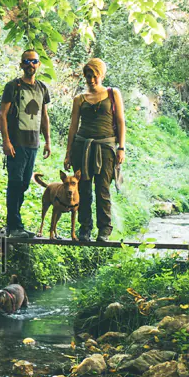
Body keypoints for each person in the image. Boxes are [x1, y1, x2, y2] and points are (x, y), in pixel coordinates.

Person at [64, 58, 126, 242]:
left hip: (106, 147)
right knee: (83, 188)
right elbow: (73, 127)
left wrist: (121, 147)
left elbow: (121, 121)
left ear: (102, 75)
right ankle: (85, 229)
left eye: (95, 76)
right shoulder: (79, 99)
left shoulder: (113, 93)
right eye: (88, 76)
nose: (91, 80)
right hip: (81, 147)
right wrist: (68, 153)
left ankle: (104, 230)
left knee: (103, 189)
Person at [0, 49, 52, 238]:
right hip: (16, 142)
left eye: (34, 61)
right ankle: (14, 226)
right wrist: (6, 141)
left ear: (38, 64)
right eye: (27, 61)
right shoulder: (13, 86)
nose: (31, 64)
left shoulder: (42, 88)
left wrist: (48, 141)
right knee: (15, 182)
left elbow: (44, 116)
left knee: (23, 185)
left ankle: (14, 224)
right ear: (21, 64)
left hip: (33, 144)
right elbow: (2, 114)